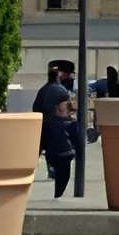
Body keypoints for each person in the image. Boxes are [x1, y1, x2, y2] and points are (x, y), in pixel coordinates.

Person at [32, 61, 81, 198]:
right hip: (57, 133)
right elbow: (62, 111)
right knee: (67, 156)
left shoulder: (43, 90)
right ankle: (58, 194)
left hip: (43, 128)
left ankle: (51, 170)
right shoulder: (61, 91)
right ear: (63, 75)